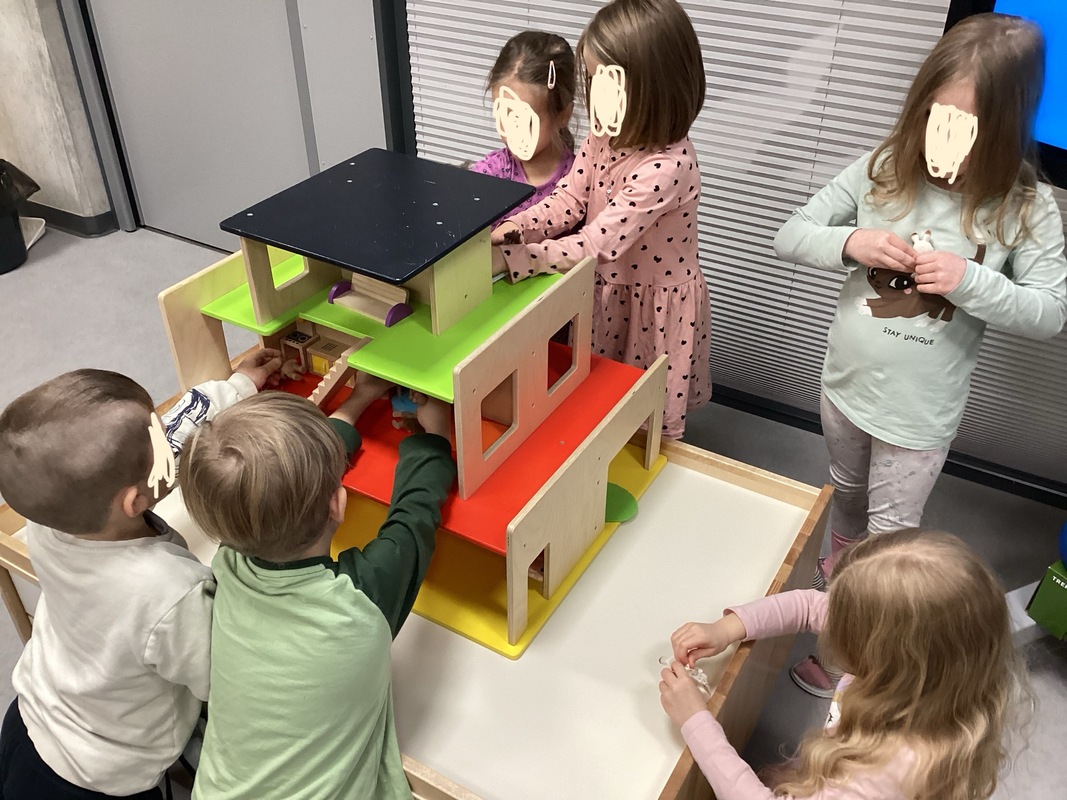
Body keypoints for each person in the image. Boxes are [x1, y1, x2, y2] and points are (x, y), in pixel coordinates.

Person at [772, 13, 1066, 695]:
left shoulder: (1025, 206)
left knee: (888, 542)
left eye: (966, 128)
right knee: (845, 500)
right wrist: (851, 242)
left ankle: (854, 659)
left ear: (1004, 128)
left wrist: (970, 280)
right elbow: (792, 234)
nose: (944, 141)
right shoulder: (884, 167)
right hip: (845, 389)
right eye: (936, 119)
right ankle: (837, 594)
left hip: (917, 417)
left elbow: (1049, 312)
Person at [0, 351, 284, 798]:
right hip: (102, 780)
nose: (169, 434)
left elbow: (165, 442)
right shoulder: (169, 593)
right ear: (133, 502)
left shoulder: (51, 520)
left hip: (29, 721)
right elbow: (224, 677)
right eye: (160, 437)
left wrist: (237, 388)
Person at [182, 376, 455, 800]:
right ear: (338, 503)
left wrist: (358, 400)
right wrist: (436, 435)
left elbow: (269, 484)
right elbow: (414, 515)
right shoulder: (361, 598)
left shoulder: (230, 562)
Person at [661, 529, 1028, 800]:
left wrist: (696, 721)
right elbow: (808, 605)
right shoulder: (945, 675)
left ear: (885, 658)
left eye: (843, 626)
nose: (829, 624)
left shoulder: (885, 773)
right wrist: (728, 628)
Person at [491, 0, 712, 439]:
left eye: (604, 83)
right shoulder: (603, 134)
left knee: (645, 411)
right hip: (609, 292)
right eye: (592, 80)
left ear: (651, 87)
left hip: (652, 304)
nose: (594, 96)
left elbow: (597, 242)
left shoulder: (669, 166)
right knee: (597, 397)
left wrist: (518, 259)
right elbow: (571, 197)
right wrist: (515, 228)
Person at [470, 30, 576, 218]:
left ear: (563, 115)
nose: (513, 132)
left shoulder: (578, 181)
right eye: (505, 116)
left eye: (526, 122)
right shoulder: (490, 174)